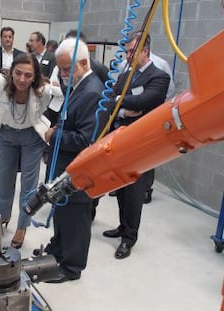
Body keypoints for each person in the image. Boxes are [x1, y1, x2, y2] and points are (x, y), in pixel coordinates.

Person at [35, 38, 109, 283]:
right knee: (62, 213)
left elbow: (85, 140)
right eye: (61, 68)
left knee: (75, 217)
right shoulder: (78, 85)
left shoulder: (92, 92)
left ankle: (71, 267)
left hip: (79, 172)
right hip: (64, 168)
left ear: (84, 62)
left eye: (67, 69)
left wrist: (54, 134)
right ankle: (58, 251)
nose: (63, 74)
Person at [103, 31, 170, 259]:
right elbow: (110, 100)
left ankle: (129, 238)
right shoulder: (124, 75)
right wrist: (122, 108)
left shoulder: (159, 77)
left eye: (132, 51)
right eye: (127, 51)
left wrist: (120, 102)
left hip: (142, 145)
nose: (128, 56)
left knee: (134, 192)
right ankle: (122, 226)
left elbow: (145, 101)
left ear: (145, 51)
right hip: (120, 139)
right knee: (120, 189)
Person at [0, 53, 62, 249]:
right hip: (7, 135)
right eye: (18, 73)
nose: (22, 79)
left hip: (32, 136)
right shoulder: (0, 83)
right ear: (11, 72)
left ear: (35, 76)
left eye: (28, 75)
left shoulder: (43, 90)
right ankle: (2, 218)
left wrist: (55, 125)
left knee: (29, 185)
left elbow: (60, 97)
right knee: (4, 179)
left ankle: (22, 226)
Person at [0, 26, 23, 150]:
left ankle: (12, 148)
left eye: (10, 36)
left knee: (14, 123)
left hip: (14, 95)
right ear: (1, 38)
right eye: (5, 36)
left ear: (13, 38)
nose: (8, 39)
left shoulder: (21, 55)